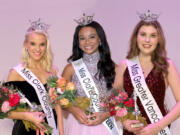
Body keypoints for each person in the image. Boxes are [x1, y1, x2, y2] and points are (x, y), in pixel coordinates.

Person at [114, 10, 180, 135]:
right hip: (131, 130)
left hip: (158, 130)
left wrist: (156, 127)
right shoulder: (125, 65)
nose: (147, 40)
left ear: (158, 39)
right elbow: (115, 99)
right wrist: (124, 121)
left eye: (153, 35)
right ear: (136, 37)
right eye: (143, 34)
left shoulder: (167, 65)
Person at [62, 14, 120, 135]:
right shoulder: (70, 69)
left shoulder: (114, 68)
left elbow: (121, 101)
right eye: (82, 38)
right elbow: (60, 99)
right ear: (78, 42)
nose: (87, 42)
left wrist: (106, 114)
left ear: (100, 39)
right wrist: (73, 109)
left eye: (92, 37)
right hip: (78, 125)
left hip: (104, 125)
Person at [5, 19, 64, 135]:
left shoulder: (53, 70)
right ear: (26, 45)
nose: (38, 49)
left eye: (42, 44)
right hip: (26, 130)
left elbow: (57, 105)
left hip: (51, 129)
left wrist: (61, 131)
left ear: (46, 46)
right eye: (33, 43)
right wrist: (28, 116)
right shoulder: (16, 72)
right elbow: (4, 110)